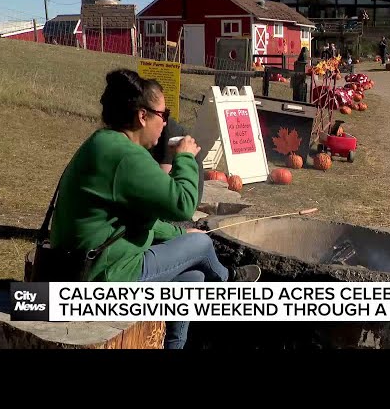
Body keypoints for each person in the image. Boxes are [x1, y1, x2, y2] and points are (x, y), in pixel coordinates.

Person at [49, 69, 261, 349]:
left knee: (192, 278)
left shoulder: (102, 144)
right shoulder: (126, 157)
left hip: (84, 266)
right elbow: (183, 204)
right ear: (142, 116)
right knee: (200, 242)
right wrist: (184, 157)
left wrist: (177, 236)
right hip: (103, 277)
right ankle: (228, 282)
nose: (166, 123)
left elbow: (138, 218)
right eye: (164, 115)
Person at [151, 116, 204, 208]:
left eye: (165, 114)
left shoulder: (168, 131)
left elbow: (162, 179)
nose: (163, 122)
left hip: (181, 202)